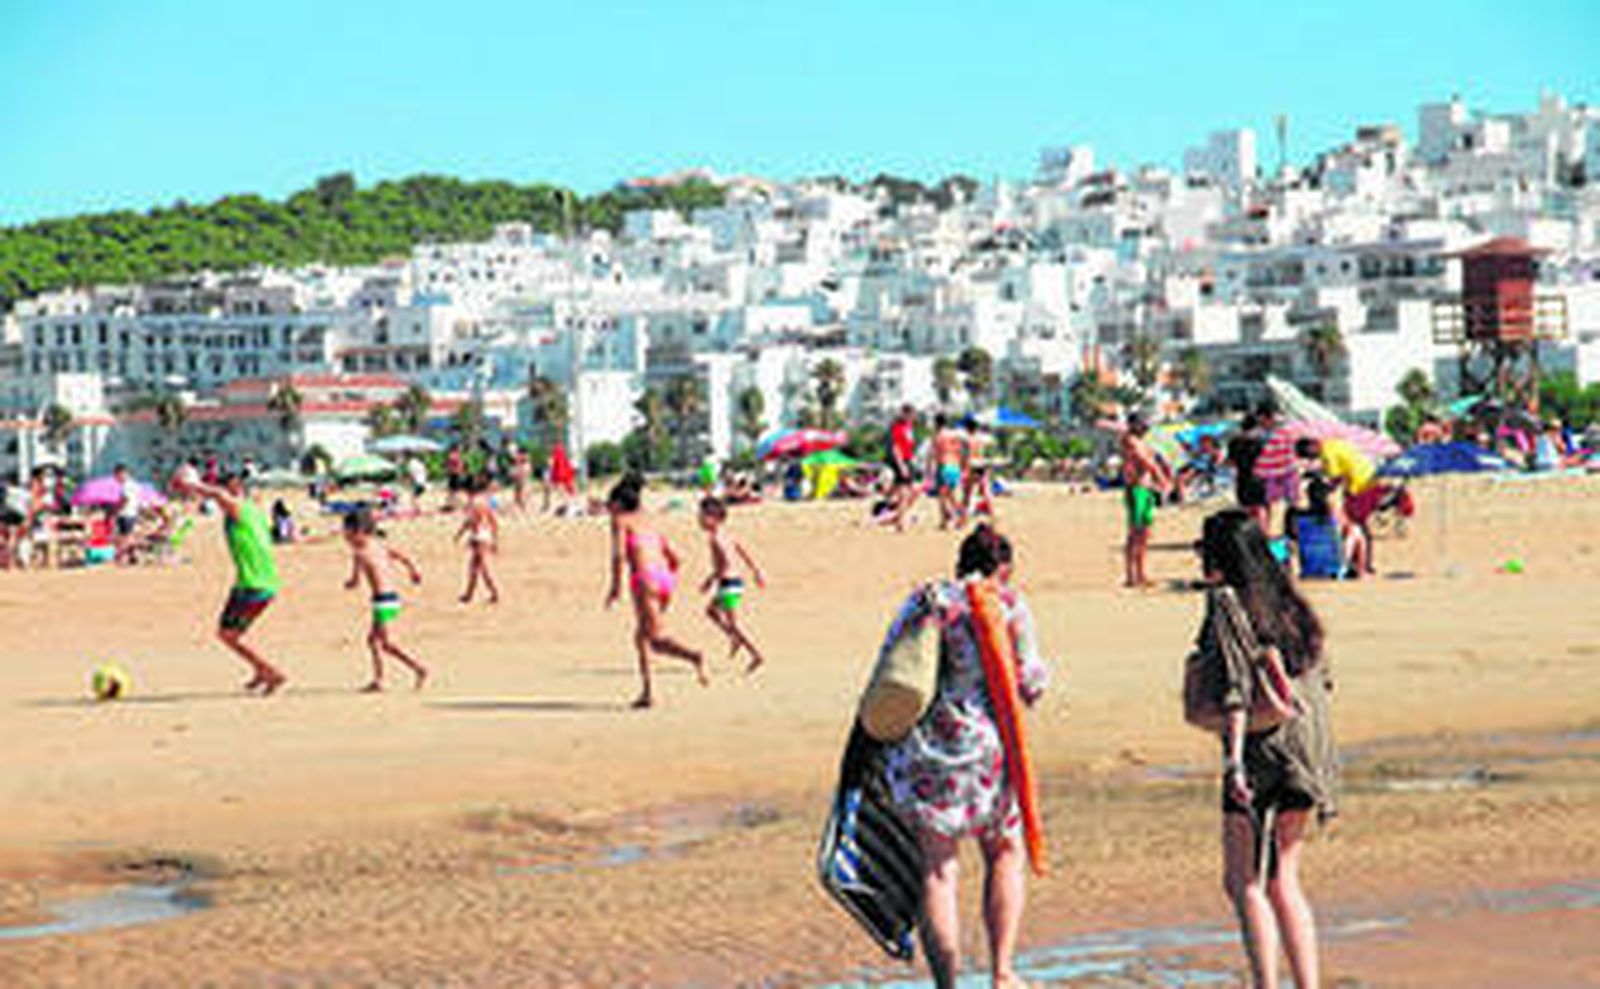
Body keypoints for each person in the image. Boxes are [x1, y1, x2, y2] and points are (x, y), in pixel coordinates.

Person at [882, 524, 1049, 989]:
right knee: (1004, 853)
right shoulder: (1009, 605)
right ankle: (1001, 972)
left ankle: (947, 985)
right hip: (990, 751)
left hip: (928, 748)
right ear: (1005, 567)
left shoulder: (928, 601)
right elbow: (1031, 682)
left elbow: (894, 669)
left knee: (938, 872)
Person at [1194, 509, 1336, 989]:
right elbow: (1321, 683)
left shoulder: (1227, 603)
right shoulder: (1291, 603)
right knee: (1285, 879)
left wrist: (1233, 761)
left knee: (1244, 881)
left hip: (1261, 751)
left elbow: (1235, 686)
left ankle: (1265, 985)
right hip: (1308, 753)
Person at [171, 468, 288, 695]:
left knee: (227, 635)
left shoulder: (238, 508)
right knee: (235, 634)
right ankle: (259, 670)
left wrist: (192, 484)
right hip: (266, 584)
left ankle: (270, 671)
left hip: (251, 585)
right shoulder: (254, 510)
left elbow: (218, 495)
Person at [605, 472, 707, 708]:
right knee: (641, 636)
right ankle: (648, 692)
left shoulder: (620, 521)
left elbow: (618, 555)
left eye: (609, 505)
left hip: (644, 579)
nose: (608, 510)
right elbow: (675, 558)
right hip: (663, 578)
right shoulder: (649, 518)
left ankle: (693, 656)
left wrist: (615, 587)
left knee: (655, 639)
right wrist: (663, 578)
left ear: (618, 504)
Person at [342, 507, 427, 692]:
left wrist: (350, 583)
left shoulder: (359, 553)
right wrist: (413, 570)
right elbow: (401, 556)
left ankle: (418, 668)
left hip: (383, 600)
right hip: (389, 598)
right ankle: (379, 680)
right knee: (373, 641)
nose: (346, 538)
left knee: (387, 644)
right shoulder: (378, 545)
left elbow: (355, 581)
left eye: (347, 533)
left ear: (359, 532)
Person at [697, 496, 767, 673]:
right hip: (735, 582)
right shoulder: (727, 535)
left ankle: (755, 654)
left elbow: (724, 563)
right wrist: (756, 572)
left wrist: (711, 579)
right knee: (711, 612)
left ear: (714, 518)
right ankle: (734, 638)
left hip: (727, 584)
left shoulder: (715, 539)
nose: (699, 520)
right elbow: (743, 552)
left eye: (702, 516)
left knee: (734, 623)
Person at [1294, 437, 1379, 576]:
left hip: (1361, 485)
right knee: (1358, 526)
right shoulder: (1331, 445)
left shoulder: (1327, 453)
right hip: (1366, 480)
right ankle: (1361, 565)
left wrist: (1324, 485)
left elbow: (1335, 478)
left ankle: (1357, 566)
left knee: (1354, 528)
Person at [1120, 413, 1171, 588]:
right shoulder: (1130, 440)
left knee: (1145, 533)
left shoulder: (1143, 442)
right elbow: (1145, 461)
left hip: (1146, 488)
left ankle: (1141, 573)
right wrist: (1161, 478)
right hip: (1136, 488)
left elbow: (1152, 460)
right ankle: (1131, 574)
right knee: (1135, 531)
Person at [454, 479, 500, 604]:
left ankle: (493, 592)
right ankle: (469, 594)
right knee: (475, 567)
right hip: (485, 535)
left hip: (478, 536)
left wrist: (462, 534)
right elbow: (493, 522)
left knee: (480, 567)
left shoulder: (473, 503)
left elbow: (471, 521)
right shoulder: (485, 503)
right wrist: (495, 540)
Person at [1228, 411, 1269, 529]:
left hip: (1242, 477)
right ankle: (1262, 533)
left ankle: (1251, 534)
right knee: (1260, 507)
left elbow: (1231, 463)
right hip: (1260, 478)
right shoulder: (1262, 442)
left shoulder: (1234, 442)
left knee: (1247, 508)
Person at [882, 405, 920, 531]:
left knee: (912, 491)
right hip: (902, 461)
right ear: (905, 414)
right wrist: (901, 465)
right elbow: (896, 448)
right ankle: (900, 522)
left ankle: (897, 516)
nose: (913, 417)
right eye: (911, 414)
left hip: (909, 461)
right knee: (904, 493)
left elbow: (909, 446)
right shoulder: (897, 427)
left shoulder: (909, 428)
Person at [931, 414, 967, 529]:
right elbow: (961, 450)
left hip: (944, 465)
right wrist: (963, 466)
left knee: (943, 496)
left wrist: (932, 469)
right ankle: (959, 517)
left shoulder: (938, 436)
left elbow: (936, 454)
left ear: (936, 423)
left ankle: (945, 520)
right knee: (951, 496)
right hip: (955, 466)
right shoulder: (955, 435)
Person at [112, 464, 144, 565]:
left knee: (125, 537)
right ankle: (134, 556)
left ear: (123, 473)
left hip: (126, 513)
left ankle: (123, 557)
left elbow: (125, 499)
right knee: (128, 535)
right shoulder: (134, 484)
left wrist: (117, 509)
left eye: (117, 475)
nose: (116, 478)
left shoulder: (126, 485)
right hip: (133, 512)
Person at [508, 442, 532, 512]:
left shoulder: (521, 457)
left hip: (521, 473)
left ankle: (522, 506)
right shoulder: (525, 457)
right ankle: (522, 506)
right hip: (522, 473)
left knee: (520, 491)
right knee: (520, 490)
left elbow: (518, 464)